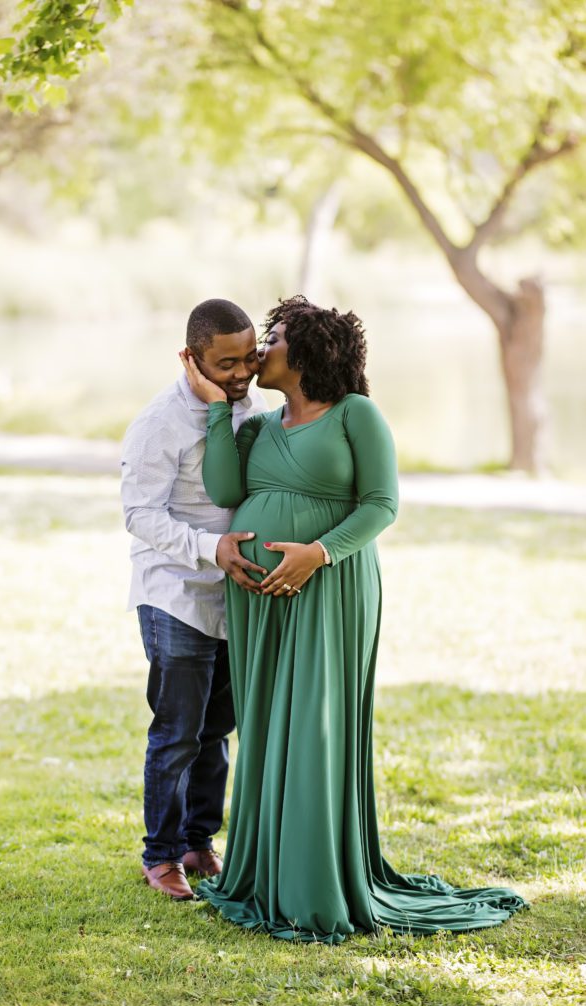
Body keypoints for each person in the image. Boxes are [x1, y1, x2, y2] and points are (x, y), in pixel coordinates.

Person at [180, 295, 527, 943]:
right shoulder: (253, 424)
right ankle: (265, 874)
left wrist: (317, 553)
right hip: (257, 601)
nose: (261, 349)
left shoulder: (355, 416)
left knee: (314, 727)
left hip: (331, 589)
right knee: (265, 728)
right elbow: (227, 492)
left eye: (274, 335)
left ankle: (314, 884)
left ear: (308, 350)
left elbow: (381, 505)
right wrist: (219, 406)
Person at [121, 298, 269, 900]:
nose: (240, 374)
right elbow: (139, 514)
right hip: (176, 593)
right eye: (225, 363)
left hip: (233, 597)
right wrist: (211, 550)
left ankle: (198, 841)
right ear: (190, 358)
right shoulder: (160, 422)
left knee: (218, 730)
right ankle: (160, 858)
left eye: (249, 359)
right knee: (179, 731)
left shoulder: (247, 404)